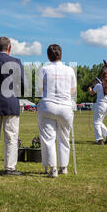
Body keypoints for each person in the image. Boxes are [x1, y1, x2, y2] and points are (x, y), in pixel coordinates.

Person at [0, 37, 25, 176]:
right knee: (11, 137)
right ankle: (9, 168)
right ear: (9, 48)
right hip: (11, 102)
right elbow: (23, 85)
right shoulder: (17, 62)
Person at [37, 44, 77, 178]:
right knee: (64, 138)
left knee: (48, 138)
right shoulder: (70, 70)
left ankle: (53, 168)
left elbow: (40, 89)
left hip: (48, 106)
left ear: (48, 56)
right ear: (61, 55)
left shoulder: (44, 69)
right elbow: (73, 90)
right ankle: (63, 167)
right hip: (65, 107)